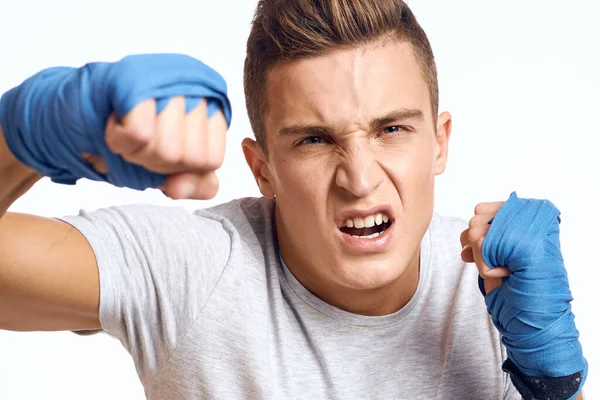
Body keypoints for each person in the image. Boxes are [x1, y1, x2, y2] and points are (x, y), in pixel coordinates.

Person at [0, 0, 587, 399]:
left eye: (391, 130)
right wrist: (31, 133)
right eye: (314, 139)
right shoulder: (196, 271)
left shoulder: (495, 285)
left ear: (439, 143)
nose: (358, 179)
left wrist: (553, 387)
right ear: (262, 169)